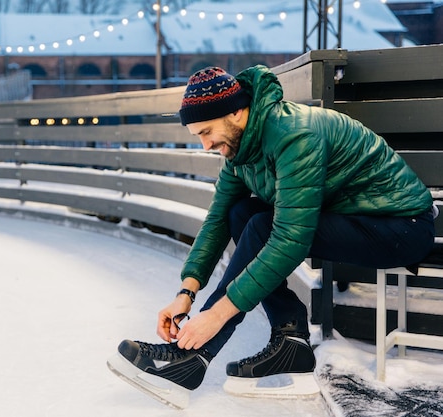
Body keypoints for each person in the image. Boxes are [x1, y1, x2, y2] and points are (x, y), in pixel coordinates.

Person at [107, 65, 435, 406]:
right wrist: (186, 292)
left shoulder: (295, 134)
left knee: (263, 228)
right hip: (350, 217)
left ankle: (193, 356)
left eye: (207, 132)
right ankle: (290, 341)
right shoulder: (241, 147)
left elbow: (290, 240)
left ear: (235, 112)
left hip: (400, 226)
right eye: (197, 136)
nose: (205, 145)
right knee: (240, 214)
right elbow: (218, 219)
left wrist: (215, 315)